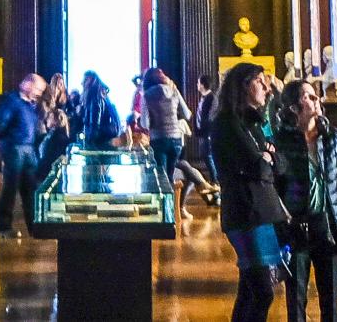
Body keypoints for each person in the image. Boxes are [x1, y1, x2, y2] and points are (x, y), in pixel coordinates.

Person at [272, 78, 337, 322]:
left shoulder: (333, 137)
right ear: (293, 108)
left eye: (314, 95)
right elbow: (275, 188)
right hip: (296, 228)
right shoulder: (281, 141)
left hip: (328, 227)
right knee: (295, 300)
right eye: (307, 96)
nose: (315, 99)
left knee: (330, 302)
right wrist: (280, 230)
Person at [211, 61, 287, 322]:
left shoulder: (255, 122)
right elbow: (257, 166)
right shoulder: (227, 123)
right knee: (262, 291)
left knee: (249, 288)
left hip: (263, 212)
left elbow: (280, 165)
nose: (267, 88)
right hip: (246, 213)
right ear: (244, 86)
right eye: (260, 82)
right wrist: (265, 159)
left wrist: (267, 158)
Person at [138, 66, 207, 209]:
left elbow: (145, 123)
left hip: (158, 139)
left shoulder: (147, 95)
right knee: (170, 176)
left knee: (161, 177)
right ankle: (172, 214)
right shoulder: (174, 91)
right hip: (176, 139)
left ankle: (165, 212)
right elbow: (187, 114)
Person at [0, 72, 46, 237]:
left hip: (28, 150)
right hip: (15, 149)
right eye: (37, 89)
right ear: (27, 84)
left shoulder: (29, 104)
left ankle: (34, 227)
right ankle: (4, 227)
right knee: (11, 187)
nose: (38, 93)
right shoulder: (12, 101)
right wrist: (3, 141)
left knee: (31, 189)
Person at [77, 71, 125, 147]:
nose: (82, 83)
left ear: (91, 81)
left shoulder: (95, 98)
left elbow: (95, 124)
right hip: (104, 139)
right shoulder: (101, 95)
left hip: (99, 141)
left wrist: (90, 143)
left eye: (85, 80)